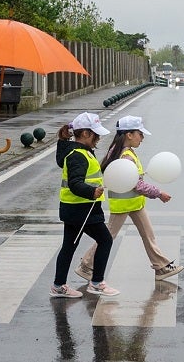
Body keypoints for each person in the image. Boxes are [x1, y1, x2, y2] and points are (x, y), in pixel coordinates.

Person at [74, 115, 184, 282]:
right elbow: (136, 184)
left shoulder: (122, 151)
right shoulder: (126, 156)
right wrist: (158, 193)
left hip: (135, 203)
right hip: (124, 204)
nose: (142, 138)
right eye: (140, 134)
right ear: (129, 135)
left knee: (148, 235)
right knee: (108, 237)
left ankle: (161, 267)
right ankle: (86, 266)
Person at [51, 112, 120, 298]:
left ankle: (59, 285)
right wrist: (92, 192)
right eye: (96, 135)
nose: (98, 139)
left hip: (74, 208)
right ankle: (96, 283)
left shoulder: (77, 152)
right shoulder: (78, 155)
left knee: (69, 246)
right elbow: (75, 183)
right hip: (82, 209)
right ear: (85, 134)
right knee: (105, 240)